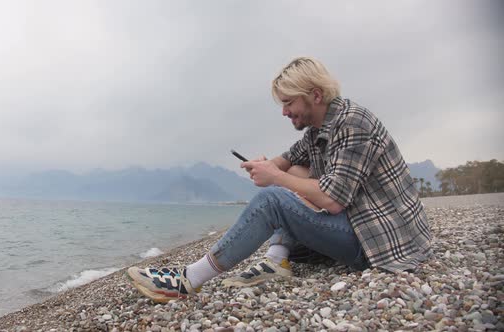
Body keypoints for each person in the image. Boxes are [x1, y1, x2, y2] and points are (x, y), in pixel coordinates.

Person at [126, 57, 432, 303]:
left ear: (315, 95)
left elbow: (334, 201)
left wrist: (275, 178)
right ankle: (277, 260)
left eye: (288, 103)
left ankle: (188, 279)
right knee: (292, 175)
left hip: (381, 242)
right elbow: (285, 162)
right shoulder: (317, 130)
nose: (284, 112)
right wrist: (264, 166)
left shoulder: (353, 123)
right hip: (359, 227)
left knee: (274, 197)